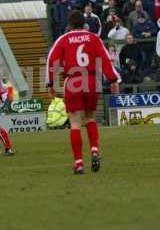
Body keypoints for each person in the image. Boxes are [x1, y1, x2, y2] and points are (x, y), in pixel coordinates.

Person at [46, 10, 120, 174]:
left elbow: (52, 60)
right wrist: (114, 80)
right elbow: (105, 59)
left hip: (73, 81)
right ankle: (94, 150)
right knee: (91, 117)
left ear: (70, 24)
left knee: (75, 123)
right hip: (92, 81)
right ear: (84, 24)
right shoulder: (94, 38)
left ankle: (79, 163)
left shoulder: (64, 39)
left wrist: (49, 83)